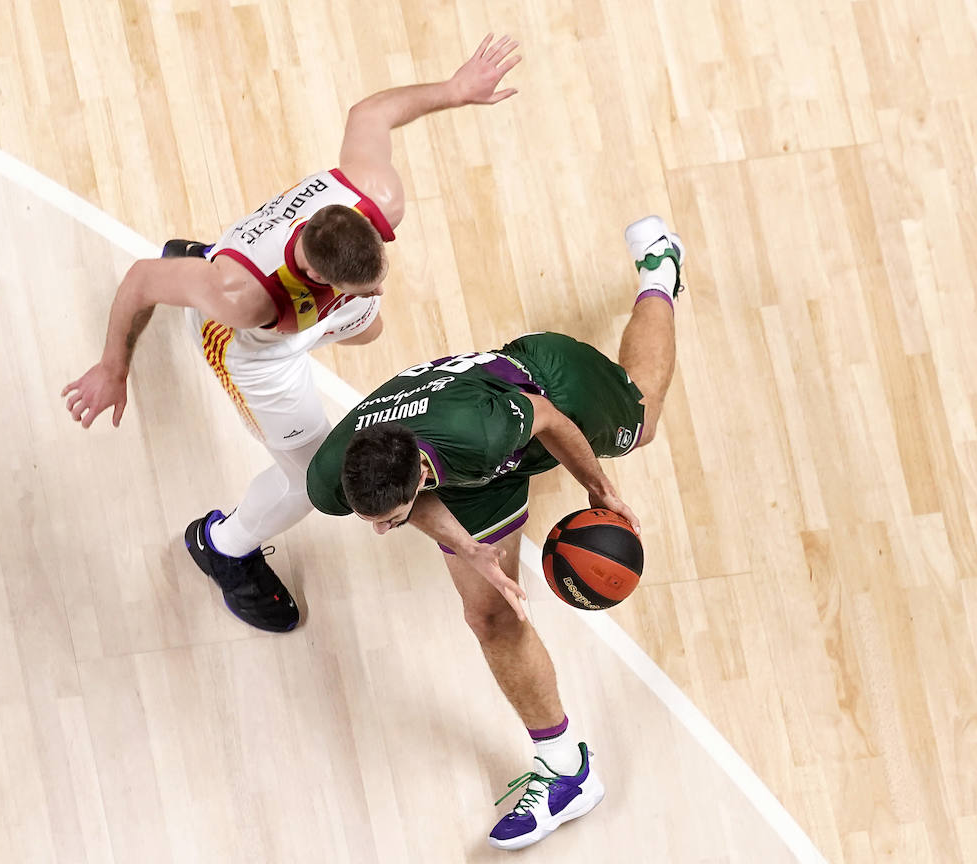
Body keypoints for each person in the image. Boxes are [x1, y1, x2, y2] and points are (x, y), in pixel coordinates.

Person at [60, 35, 522, 633]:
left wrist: (454, 92)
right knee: (311, 481)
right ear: (311, 272)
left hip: (278, 296)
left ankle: (203, 263)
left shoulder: (373, 195)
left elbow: (370, 114)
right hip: (258, 354)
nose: (378, 288)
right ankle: (223, 547)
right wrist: (113, 367)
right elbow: (143, 280)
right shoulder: (242, 298)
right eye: (361, 285)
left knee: (371, 328)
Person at [305, 216, 685, 850]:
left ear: (420, 472)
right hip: (480, 460)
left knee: (641, 420)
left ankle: (662, 272)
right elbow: (415, 502)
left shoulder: (477, 436)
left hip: (552, 389)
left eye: (390, 519)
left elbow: (547, 418)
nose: (379, 533)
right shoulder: (334, 477)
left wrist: (600, 490)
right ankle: (570, 773)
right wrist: (470, 549)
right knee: (490, 616)